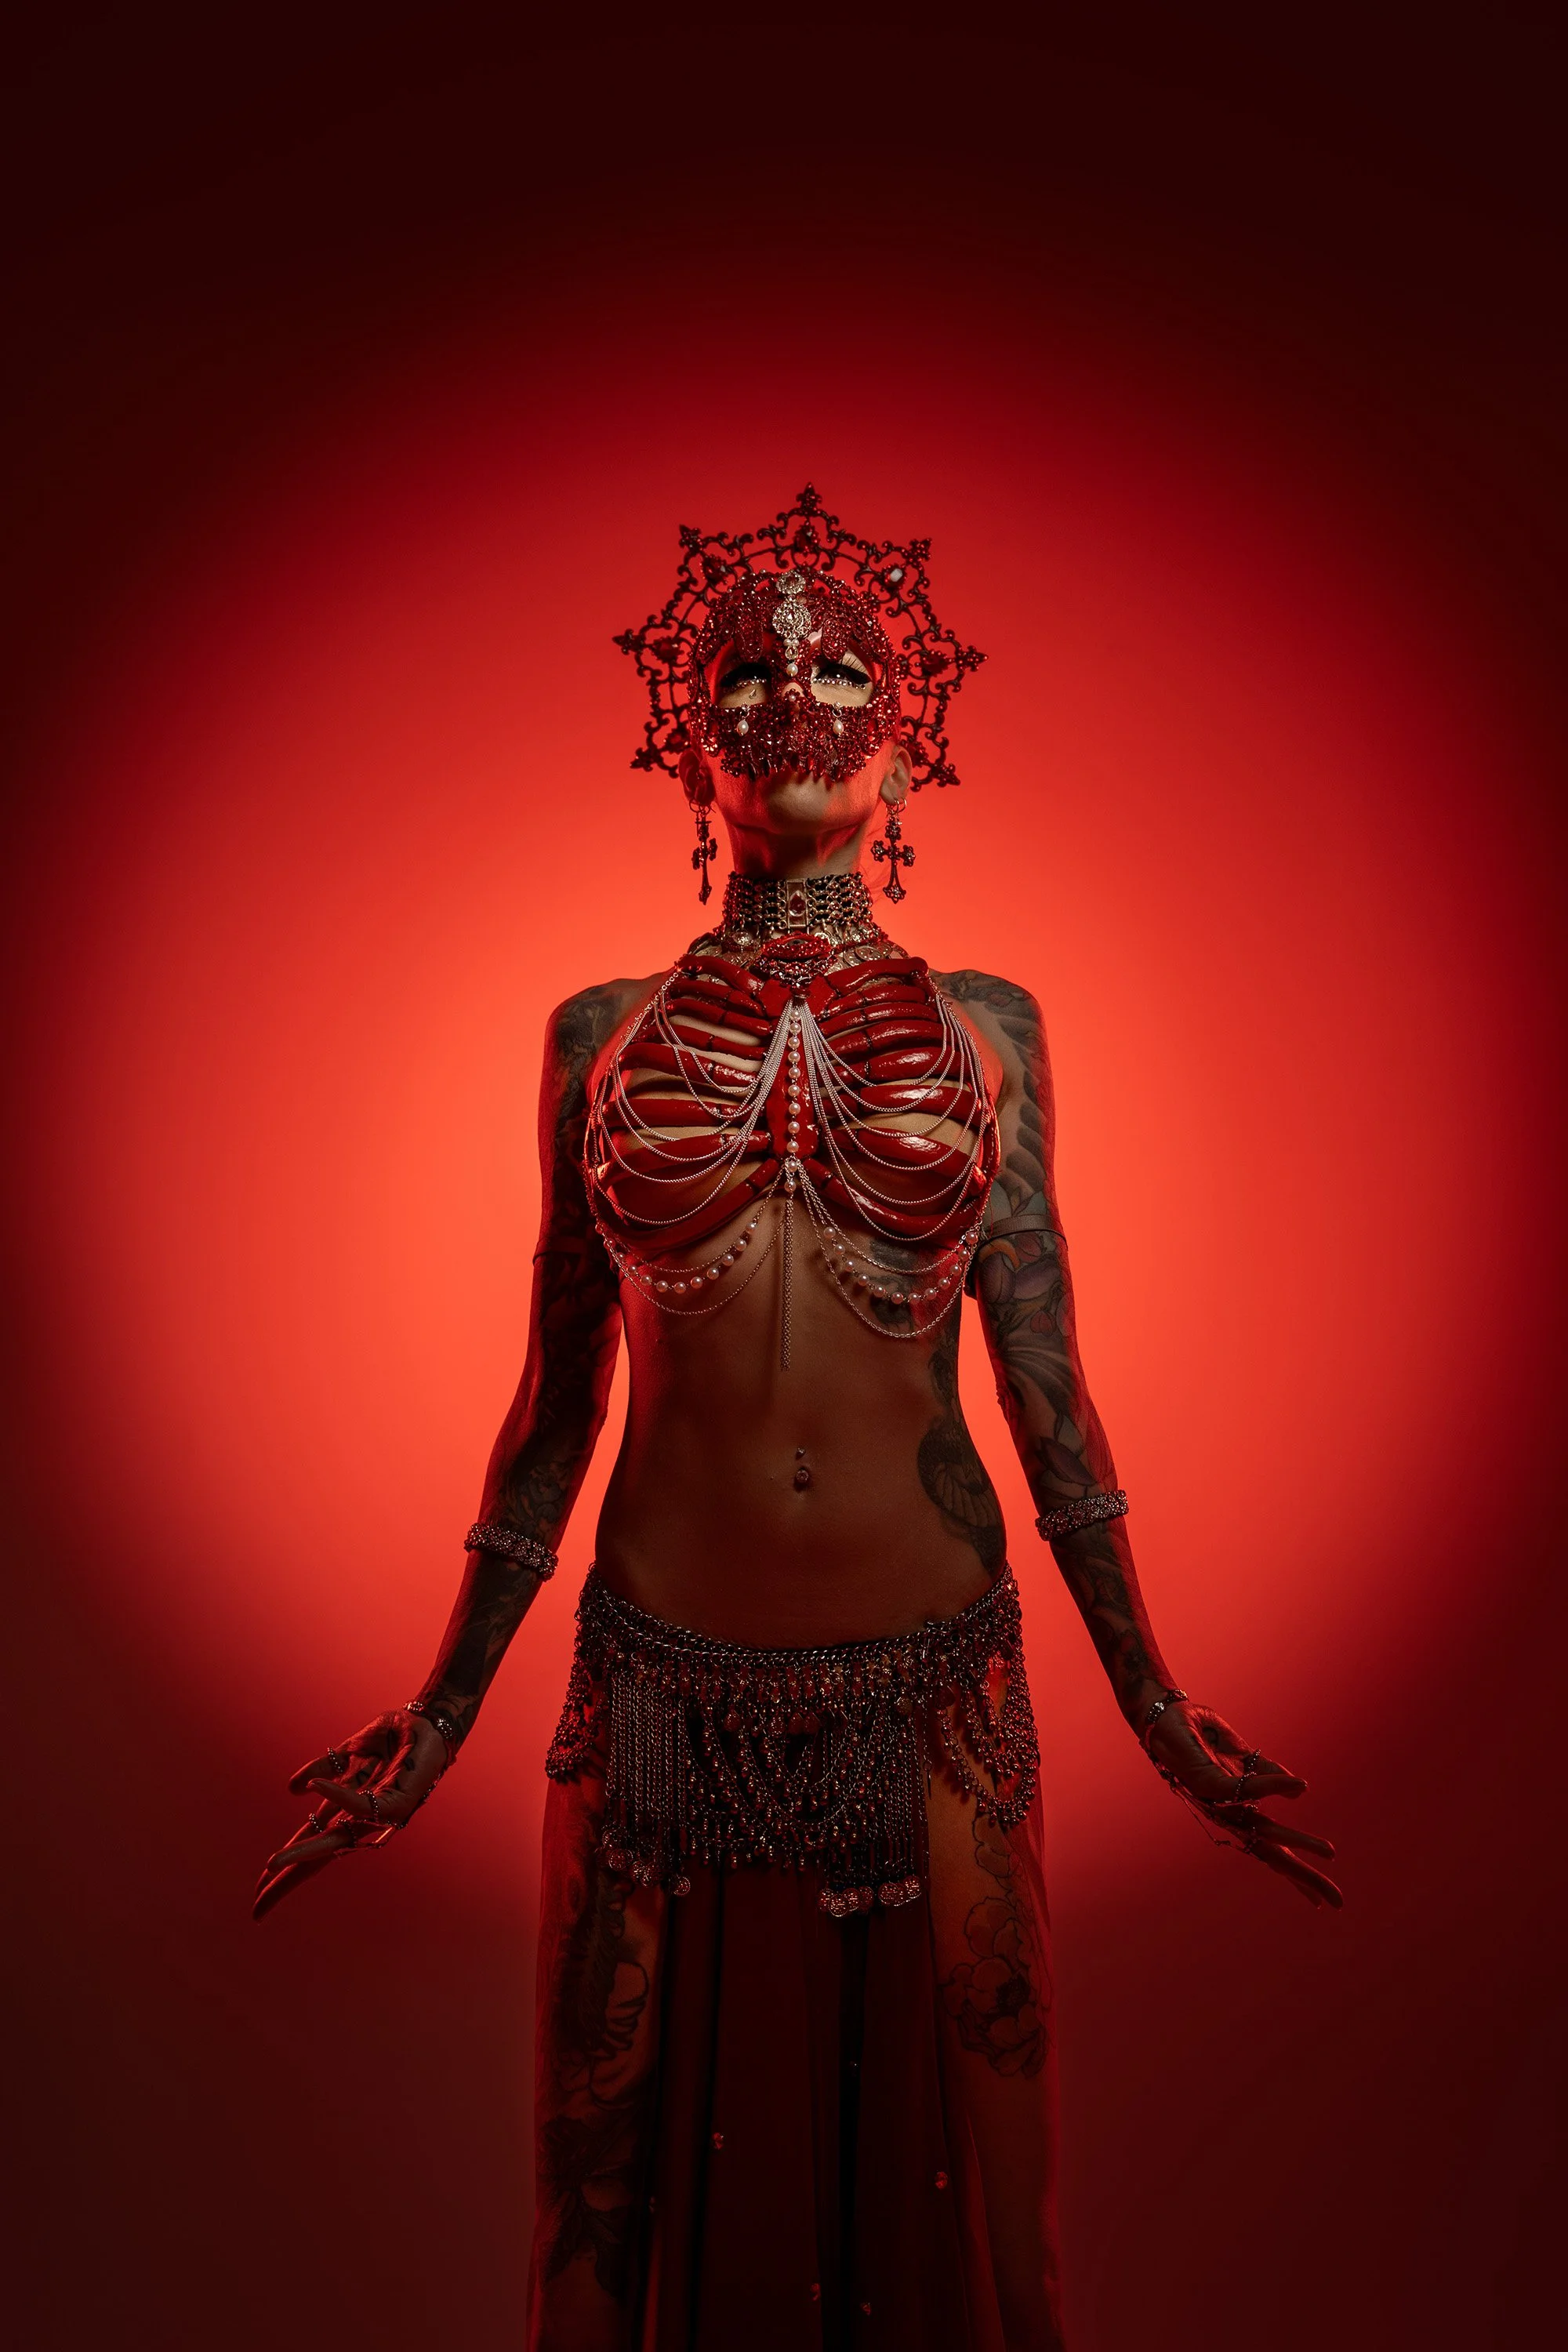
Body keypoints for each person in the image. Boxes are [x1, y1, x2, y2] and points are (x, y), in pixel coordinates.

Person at [255, 486, 1340, 2350]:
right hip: (656, 1684)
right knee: (594, 2222)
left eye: (845, 667)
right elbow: (551, 1401)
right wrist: (435, 1717)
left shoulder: (991, 1028)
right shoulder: (597, 1032)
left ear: (911, 734)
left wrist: (1157, 1707)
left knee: (1000, 2224)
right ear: (687, 734)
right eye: (748, 673)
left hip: (934, 1679)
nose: (796, 702)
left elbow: (1050, 1386)